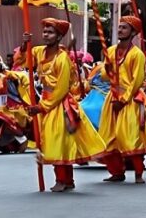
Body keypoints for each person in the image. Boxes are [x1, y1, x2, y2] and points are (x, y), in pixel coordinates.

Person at [26, 18, 105, 192]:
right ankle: (66, 180)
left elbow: (61, 89)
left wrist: (42, 106)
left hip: (59, 104)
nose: (46, 35)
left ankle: (62, 179)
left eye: (50, 32)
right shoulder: (39, 51)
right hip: (47, 103)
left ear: (59, 36)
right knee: (57, 142)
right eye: (44, 31)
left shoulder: (62, 59)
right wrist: (26, 45)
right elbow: (25, 60)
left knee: (59, 142)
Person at [98, 15, 146, 183]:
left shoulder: (137, 55)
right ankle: (116, 172)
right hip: (112, 98)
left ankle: (138, 173)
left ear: (133, 32)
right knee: (107, 137)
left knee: (130, 137)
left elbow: (137, 81)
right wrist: (106, 69)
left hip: (130, 101)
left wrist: (124, 100)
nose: (120, 30)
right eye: (119, 27)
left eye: (124, 27)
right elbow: (105, 77)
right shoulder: (111, 51)